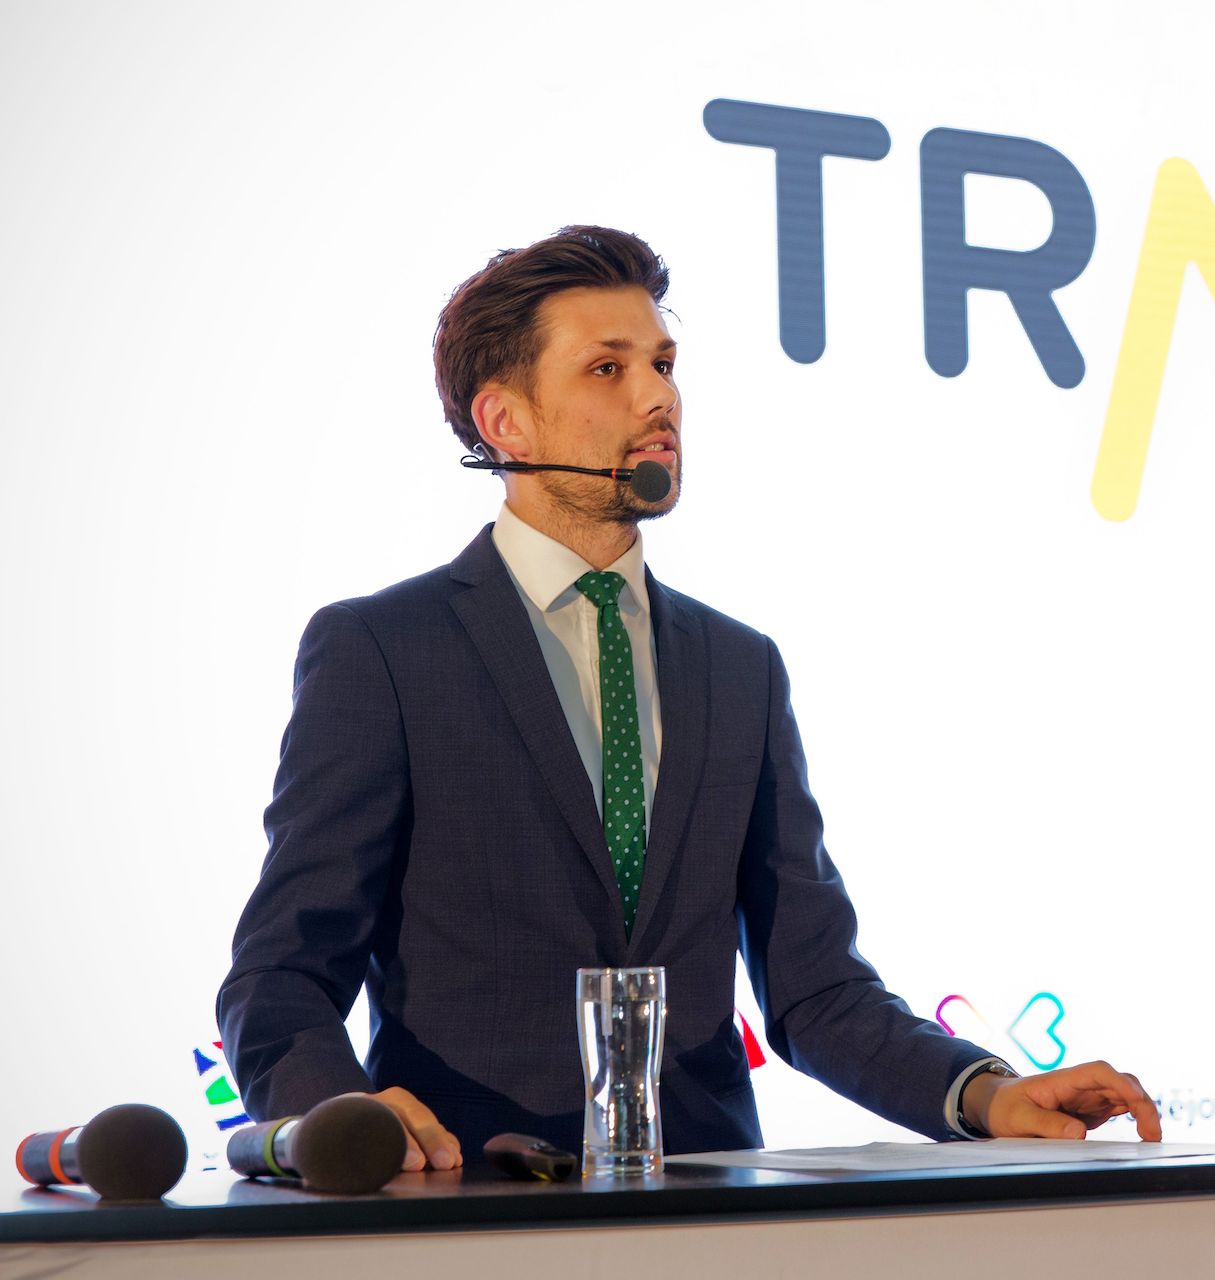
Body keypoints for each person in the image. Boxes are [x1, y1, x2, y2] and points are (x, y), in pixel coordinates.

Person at [218, 225, 1161, 1170]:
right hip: (474, 1204)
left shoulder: (740, 666)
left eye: (663, 364)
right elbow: (282, 975)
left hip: (708, 1206)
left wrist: (985, 1095)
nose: (658, 395)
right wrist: (342, 1124)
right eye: (608, 368)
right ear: (504, 422)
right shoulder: (383, 650)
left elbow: (816, 989)